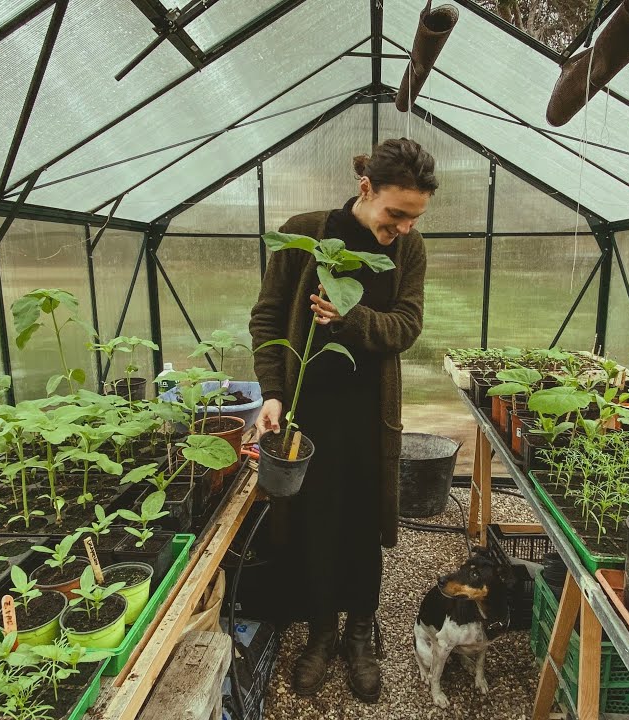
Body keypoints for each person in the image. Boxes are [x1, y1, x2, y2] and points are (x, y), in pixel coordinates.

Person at [248, 138, 438, 702]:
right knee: (312, 522)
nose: (403, 228)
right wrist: (274, 392)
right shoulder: (306, 234)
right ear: (365, 190)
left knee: (361, 524)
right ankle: (320, 634)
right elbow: (267, 318)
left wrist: (350, 319)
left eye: (414, 217)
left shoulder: (409, 250)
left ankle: (359, 633)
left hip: (368, 416)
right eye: (395, 214)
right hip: (307, 413)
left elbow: (406, 326)